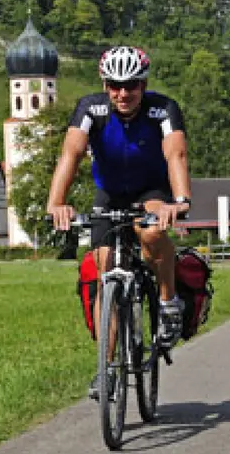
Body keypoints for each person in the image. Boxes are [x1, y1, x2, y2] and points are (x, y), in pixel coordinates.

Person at [46, 45, 191, 400]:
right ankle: (106, 368)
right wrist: (56, 202)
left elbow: (176, 153)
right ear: (105, 84)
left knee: (152, 231)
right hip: (109, 194)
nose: (122, 93)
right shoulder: (90, 109)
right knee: (103, 265)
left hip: (151, 190)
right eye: (114, 85)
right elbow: (71, 153)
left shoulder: (163, 109)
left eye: (131, 85)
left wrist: (180, 200)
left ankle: (168, 301)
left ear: (144, 84)